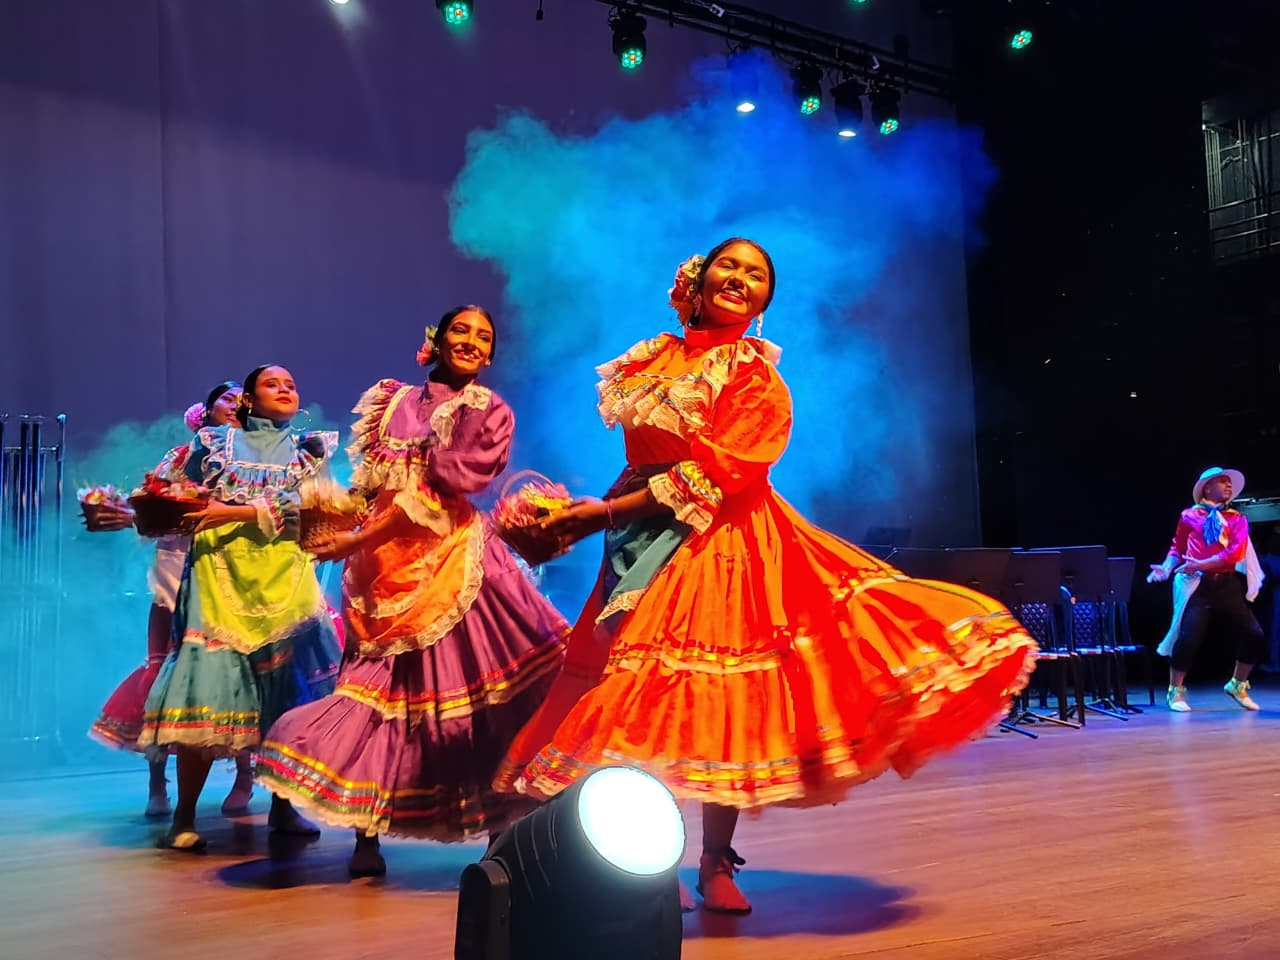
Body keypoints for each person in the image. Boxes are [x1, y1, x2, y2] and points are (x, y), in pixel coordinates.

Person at [494, 238, 1038, 914]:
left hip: (725, 542)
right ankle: (641, 861)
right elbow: (650, 461)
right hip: (640, 535)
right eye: (730, 264)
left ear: (762, 305)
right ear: (695, 280)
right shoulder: (653, 359)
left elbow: (713, 477)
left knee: (717, 700)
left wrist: (601, 512)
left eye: (757, 275)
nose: (741, 278)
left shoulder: (755, 379)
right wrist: (584, 514)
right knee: (644, 706)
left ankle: (715, 859)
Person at [256, 307, 568, 878]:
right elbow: (372, 483)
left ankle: (498, 837)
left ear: (491, 355)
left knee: (484, 702)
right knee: (375, 701)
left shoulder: (487, 411)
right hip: (382, 572)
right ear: (436, 339)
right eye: (461, 331)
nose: (471, 342)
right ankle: (365, 835)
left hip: (456, 565)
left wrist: (355, 537)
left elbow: (438, 493)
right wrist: (341, 514)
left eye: (484, 337)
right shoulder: (392, 400)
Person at [137, 364, 342, 851]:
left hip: (286, 582)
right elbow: (173, 497)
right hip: (218, 577)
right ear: (248, 399)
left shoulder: (309, 452)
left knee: (286, 703)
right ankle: (184, 815)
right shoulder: (211, 445)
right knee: (205, 696)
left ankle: (283, 809)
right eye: (273, 384)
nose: (287, 389)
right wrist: (133, 511)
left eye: (292, 384)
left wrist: (235, 511)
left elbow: (318, 511)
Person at [87, 382, 256, 817]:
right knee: (161, 675)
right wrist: (120, 512)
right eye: (226, 397)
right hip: (175, 575)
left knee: (238, 680)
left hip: (230, 579)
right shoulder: (180, 458)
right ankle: (157, 783)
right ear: (205, 410)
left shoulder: (257, 457)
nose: (234, 404)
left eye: (243, 398)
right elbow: (154, 507)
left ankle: (244, 777)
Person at [1149, 466, 1266, 712]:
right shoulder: (1189, 516)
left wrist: (1199, 563)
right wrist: (1167, 567)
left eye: (1229, 483)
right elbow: (1177, 548)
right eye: (1222, 482)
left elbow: (1234, 554)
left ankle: (1237, 684)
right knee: (1189, 637)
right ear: (1207, 488)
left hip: (1225, 584)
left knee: (1254, 633)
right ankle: (1175, 691)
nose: (1229, 486)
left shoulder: (1237, 518)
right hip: (1197, 585)